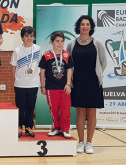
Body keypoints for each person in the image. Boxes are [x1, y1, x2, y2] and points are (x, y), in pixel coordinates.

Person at [66, 15, 107, 154]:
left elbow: (103, 62)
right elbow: (68, 63)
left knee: (91, 112)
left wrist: (97, 74)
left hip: (93, 82)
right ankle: (81, 142)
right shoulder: (72, 44)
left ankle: (89, 143)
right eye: (82, 24)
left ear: (91, 27)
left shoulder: (97, 43)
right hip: (77, 82)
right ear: (78, 27)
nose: (84, 27)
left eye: (87, 24)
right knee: (80, 112)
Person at [39, 31, 73, 139]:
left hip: (64, 87)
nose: (60, 44)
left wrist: (68, 84)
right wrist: (43, 86)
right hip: (51, 87)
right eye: (57, 41)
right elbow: (42, 71)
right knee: (53, 109)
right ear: (52, 42)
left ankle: (65, 129)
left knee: (66, 109)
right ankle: (56, 128)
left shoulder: (67, 55)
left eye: (62, 41)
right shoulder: (46, 56)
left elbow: (69, 70)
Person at [10, 26, 41, 138]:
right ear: (22, 37)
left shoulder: (37, 48)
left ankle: (29, 127)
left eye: (31, 36)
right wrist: (14, 80)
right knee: (20, 107)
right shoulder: (17, 50)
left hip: (33, 84)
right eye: (26, 36)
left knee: (30, 107)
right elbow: (13, 66)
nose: (29, 38)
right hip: (20, 84)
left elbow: (40, 66)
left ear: (34, 37)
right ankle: (19, 127)